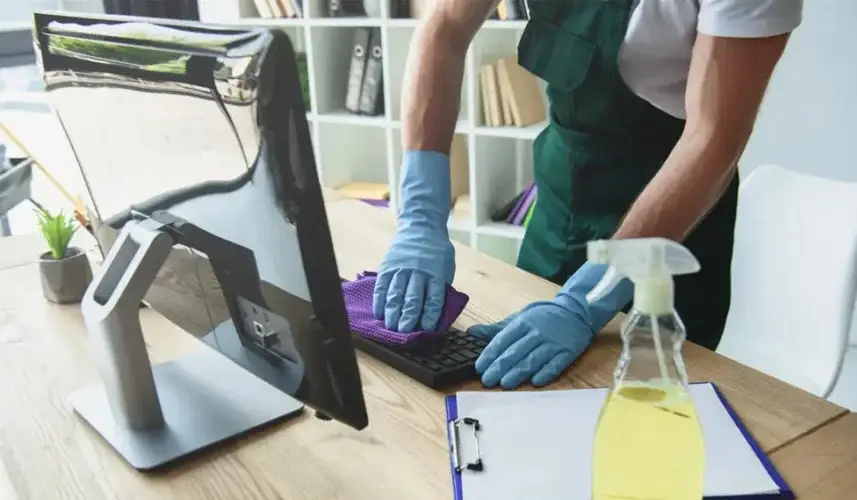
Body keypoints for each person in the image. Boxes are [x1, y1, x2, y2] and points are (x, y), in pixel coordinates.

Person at [373, 0, 803, 389]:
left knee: (641, 424)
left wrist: (589, 299)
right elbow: (444, 26)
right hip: (560, 204)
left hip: (668, 226)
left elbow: (712, 140)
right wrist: (420, 215)